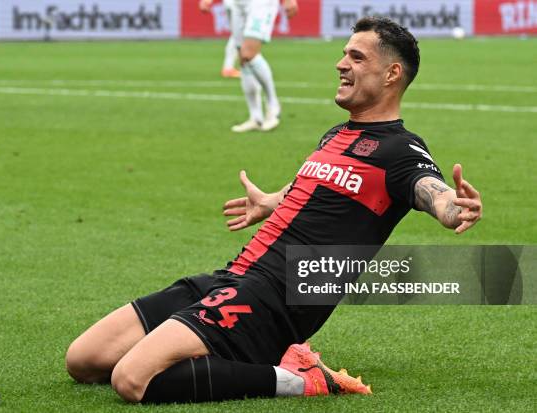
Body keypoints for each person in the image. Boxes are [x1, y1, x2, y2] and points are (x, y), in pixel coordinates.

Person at [65, 17, 483, 403]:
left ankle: (301, 379)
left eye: (357, 57)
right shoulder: (337, 135)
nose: (341, 64)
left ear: (393, 73)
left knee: (131, 380)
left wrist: (454, 208)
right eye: (344, 53)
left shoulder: (400, 150)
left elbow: (431, 190)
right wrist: (271, 201)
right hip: (236, 275)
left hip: (274, 299)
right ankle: (233, 351)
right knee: (84, 360)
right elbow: (318, 186)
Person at [200, 0, 299, 132]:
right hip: (237, 3)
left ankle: (273, 105)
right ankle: (256, 117)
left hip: (260, 3)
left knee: (248, 53)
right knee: (243, 58)